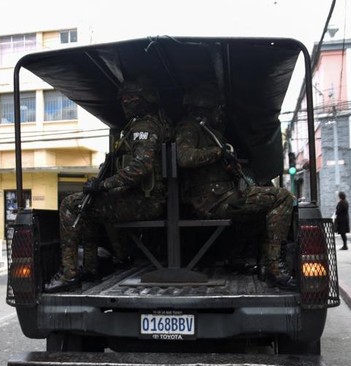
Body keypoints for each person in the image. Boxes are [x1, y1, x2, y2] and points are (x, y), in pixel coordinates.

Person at [44, 79, 171, 293]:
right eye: (124, 98)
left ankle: (69, 274)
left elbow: (141, 167)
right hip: (143, 198)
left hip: (144, 201)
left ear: (146, 100)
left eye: (132, 98)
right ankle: (91, 267)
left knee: (70, 204)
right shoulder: (144, 124)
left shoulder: (145, 127)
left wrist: (103, 185)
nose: (126, 102)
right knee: (88, 206)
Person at [175, 84, 297, 290]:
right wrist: (218, 153)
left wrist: (230, 166)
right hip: (212, 201)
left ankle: (241, 259)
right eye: (217, 108)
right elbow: (184, 157)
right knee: (282, 197)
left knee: (261, 208)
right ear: (205, 107)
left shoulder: (209, 131)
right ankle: (274, 268)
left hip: (222, 196)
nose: (220, 113)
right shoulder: (189, 128)